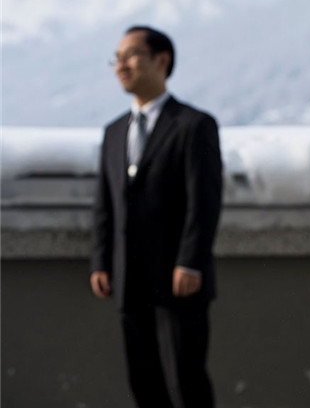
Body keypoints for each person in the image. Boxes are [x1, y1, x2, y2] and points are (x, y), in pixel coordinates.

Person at [90, 25, 222, 408]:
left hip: (179, 280)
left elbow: (205, 201)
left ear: (161, 60)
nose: (121, 65)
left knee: (186, 382)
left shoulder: (194, 125)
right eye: (117, 58)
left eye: (130, 55)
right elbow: (105, 203)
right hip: (127, 280)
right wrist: (101, 261)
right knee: (144, 384)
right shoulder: (114, 131)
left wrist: (191, 262)